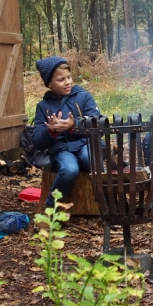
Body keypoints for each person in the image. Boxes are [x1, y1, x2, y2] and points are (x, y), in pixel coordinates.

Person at [31, 56, 101, 206]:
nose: (68, 82)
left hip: (85, 144)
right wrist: (50, 132)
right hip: (61, 149)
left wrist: (74, 125)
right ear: (49, 83)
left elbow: (98, 123)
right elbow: (37, 141)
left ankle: (107, 204)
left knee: (91, 160)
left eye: (69, 77)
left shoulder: (84, 97)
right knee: (69, 169)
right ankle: (51, 208)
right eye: (61, 80)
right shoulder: (43, 106)